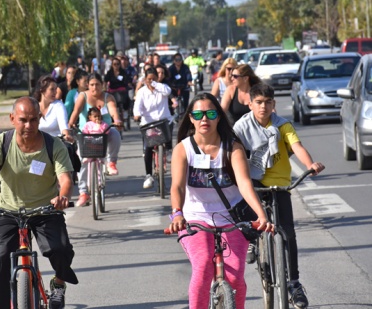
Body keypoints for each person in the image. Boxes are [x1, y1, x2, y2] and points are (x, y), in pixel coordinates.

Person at [167, 93, 273, 309]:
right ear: (190, 118)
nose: (204, 119)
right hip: (195, 218)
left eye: (210, 113)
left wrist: (261, 215)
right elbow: (177, 186)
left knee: (234, 277)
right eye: (198, 114)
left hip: (231, 217)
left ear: (218, 118)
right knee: (203, 267)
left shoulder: (233, 147)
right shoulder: (183, 149)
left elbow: (244, 184)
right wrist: (177, 213)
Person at [0, 97, 78, 309]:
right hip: (9, 211)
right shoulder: (1, 143)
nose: (28, 125)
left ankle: (58, 284)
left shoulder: (53, 145)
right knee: (1, 257)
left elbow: (65, 180)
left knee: (60, 249)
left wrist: (62, 196)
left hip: (46, 209)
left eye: (33, 120)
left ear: (40, 119)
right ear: (12, 119)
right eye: (22, 120)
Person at [233, 83, 325, 309]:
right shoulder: (241, 127)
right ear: (250, 103)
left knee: (288, 233)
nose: (263, 107)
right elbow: (232, 151)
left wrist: (310, 164)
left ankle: (293, 283)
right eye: (258, 102)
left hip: (280, 185)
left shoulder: (283, 126)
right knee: (245, 220)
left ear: (273, 104)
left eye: (267, 102)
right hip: (254, 182)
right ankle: (254, 242)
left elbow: (297, 146)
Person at [69, 73, 123, 206]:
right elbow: (75, 112)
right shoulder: (83, 96)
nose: (95, 88)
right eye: (92, 85)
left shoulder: (107, 97)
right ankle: (83, 192)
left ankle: (112, 162)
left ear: (102, 84)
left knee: (115, 134)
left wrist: (116, 120)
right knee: (81, 160)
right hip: (86, 133)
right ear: (87, 85)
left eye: (97, 84)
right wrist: (70, 125)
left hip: (104, 132)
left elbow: (113, 110)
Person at [133, 68, 173, 189]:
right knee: (148, 148)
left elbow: (168, 92)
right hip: (149, 124)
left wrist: (155, 84)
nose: (151, 81)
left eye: (154, 79)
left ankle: (168, 152)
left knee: (168, 135)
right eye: (149, 79)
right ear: (145, 80)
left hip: (163, 121)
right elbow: (137, 106)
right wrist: (137, 114)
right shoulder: (142, 92)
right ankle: (148, 175)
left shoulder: (163, 88)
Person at [104, 57, 132, 121]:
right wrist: (104, 87)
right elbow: (105, 80)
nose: (116, 66)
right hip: (112, 90)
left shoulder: (123, 72)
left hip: (122, 90)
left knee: (127, 98)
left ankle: (125, 111)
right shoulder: (110, 73)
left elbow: (127, 80)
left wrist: (129, 84)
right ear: (112, 65)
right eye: (114, 64)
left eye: (117, 64)